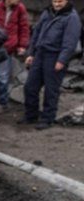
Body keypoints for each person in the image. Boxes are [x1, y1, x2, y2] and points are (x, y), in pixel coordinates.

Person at [23, 0, 82, 130]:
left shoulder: (71, 17)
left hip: (54, 55)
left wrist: (62, 60)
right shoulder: (47, 12)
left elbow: (70, 42)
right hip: (40, 54)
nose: (57, 4)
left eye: (60, 1)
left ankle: (47, 118)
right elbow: (36, 33)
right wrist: (31, 53)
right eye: (55, 1)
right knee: (30, 87)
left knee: (51, 90)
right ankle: (30, 115)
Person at [0, 0, 31, 112]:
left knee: (2, 77)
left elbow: (24, 27)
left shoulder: (20, 8)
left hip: (7, 48)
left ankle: (2, 103)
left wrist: (22, 45)